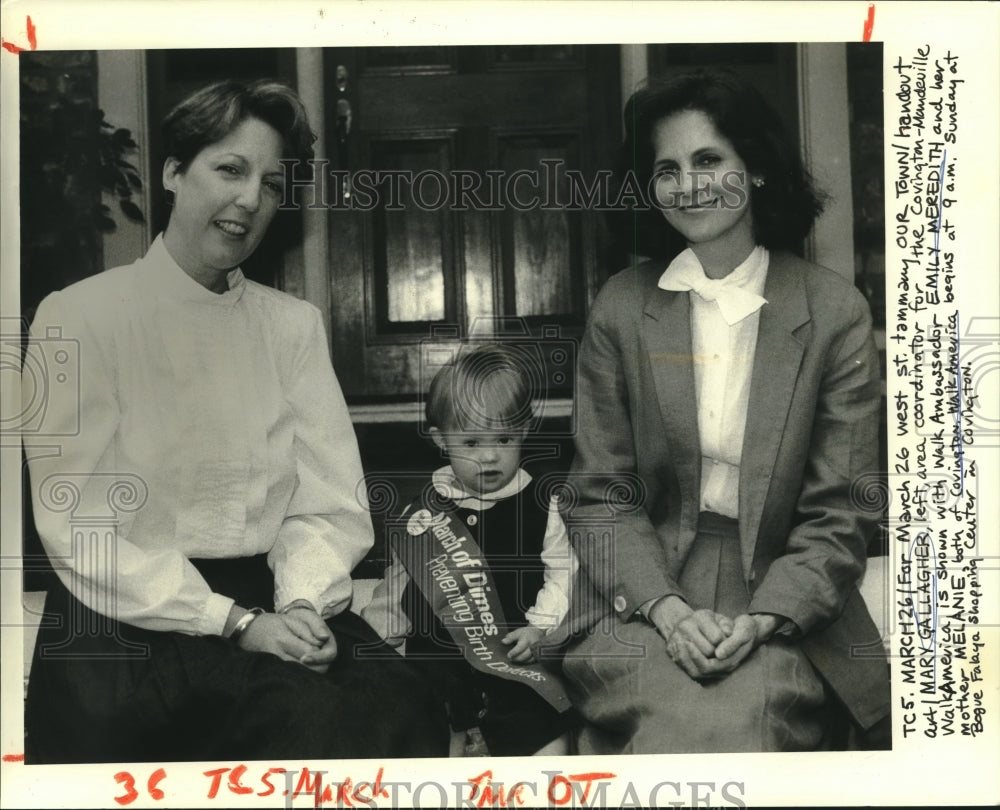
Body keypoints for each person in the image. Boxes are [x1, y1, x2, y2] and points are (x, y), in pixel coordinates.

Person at [22, 79, 449, 763]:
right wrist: (232, 623)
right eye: (229, 169)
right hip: (121, 621)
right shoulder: (76, 318)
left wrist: (305, 604)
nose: (251, 199)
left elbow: (326, 505)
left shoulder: (292, 329)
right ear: (172, 171)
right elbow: (79, 529)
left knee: (393, 711)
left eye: (273, 184)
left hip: (271, 600)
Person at [562, 69, 891, 754]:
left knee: (743, 721)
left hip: (785, 595)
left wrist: (767, 617)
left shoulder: (834, 313)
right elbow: (599, 496)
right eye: (668, 169)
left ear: (757, 170)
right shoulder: (622, 308)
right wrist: (671, 610)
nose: (689, 185)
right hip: (644, 594)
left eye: (710, 160)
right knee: (673, 722)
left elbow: (843, 509)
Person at [362, 344, 579, 757]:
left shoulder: (542, 502)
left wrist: (540, 627)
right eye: (472, 441)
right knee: (410, 732)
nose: (490, 455)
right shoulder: (426, 509)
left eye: (504, 438)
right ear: (441, 439)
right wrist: (384, 615)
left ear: (525, 432)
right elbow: (400, 576)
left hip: (513, 659)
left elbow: (563, 571)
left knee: (549, 735)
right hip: (435, 663)